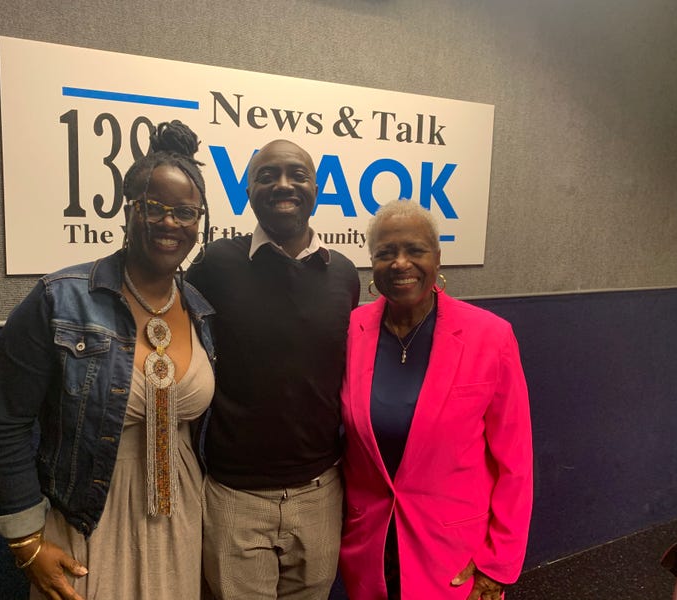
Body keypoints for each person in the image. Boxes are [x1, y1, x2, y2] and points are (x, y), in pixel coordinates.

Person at [0, 120, 215, 600]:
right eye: (154, 207)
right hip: (87, 519)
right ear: (128, 210)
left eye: (185, 212)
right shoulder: (59, 299)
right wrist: (26, 540)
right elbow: (3, 424)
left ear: (199, 222)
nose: (170, 223)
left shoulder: (201, 311)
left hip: (182, 518)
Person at [185, 139, 360, 599]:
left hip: (320, 493)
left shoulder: (344, 274)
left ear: (316, 189)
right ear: (248, 192)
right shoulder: (214, 265)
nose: (284, 185)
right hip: (235, 497)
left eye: (297, 175)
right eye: (268, 176)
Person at [339, 200, 533, 600]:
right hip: (369, 549)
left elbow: (515, 463)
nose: (400, 263)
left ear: (438, 258)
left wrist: (497, 563)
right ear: (372, 264)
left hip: (455, 557)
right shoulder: (351, 330)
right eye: (386, 252)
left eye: (415, 250)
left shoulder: (491, 337)